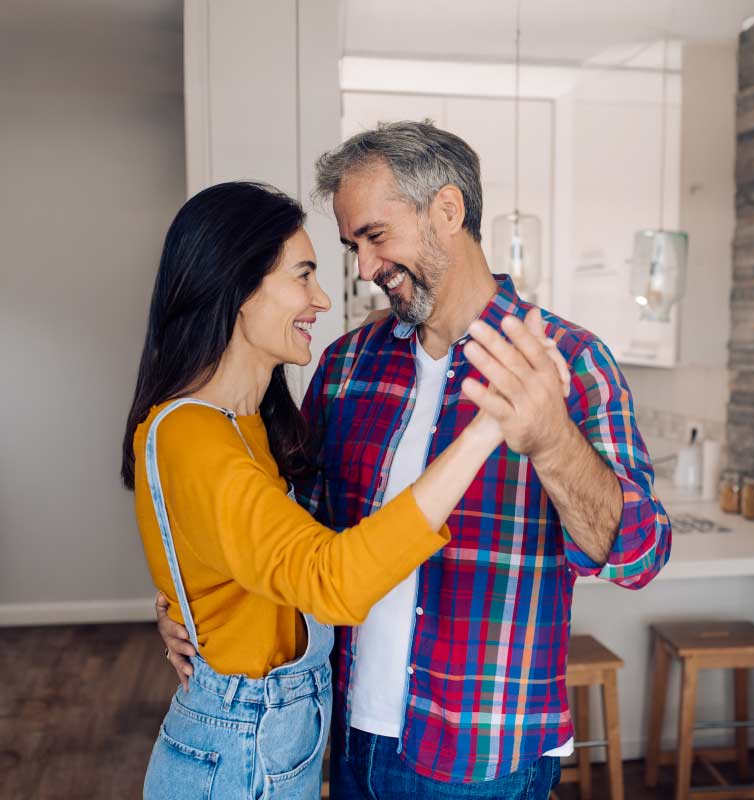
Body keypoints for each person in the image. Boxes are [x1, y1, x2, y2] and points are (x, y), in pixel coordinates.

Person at [160, 123, 672, 800]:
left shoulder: (570, 363)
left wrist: (552, 439)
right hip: (340, 736)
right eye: (352, 248)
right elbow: (286, 542)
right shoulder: (347, 366)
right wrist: (187, 603)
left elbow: (639, 555)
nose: (364, 269)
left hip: (484, 751)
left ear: (448, 211)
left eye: (375, 237)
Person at [123, 180, 534, 800]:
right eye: (303, 276)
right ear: (237, 287)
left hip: (277, 738)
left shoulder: (254, 425)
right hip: (238, 753)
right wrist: (484, 430)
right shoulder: (191, 435)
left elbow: (249, 559)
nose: (320, 298)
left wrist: (191, 605)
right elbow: (330, 579)